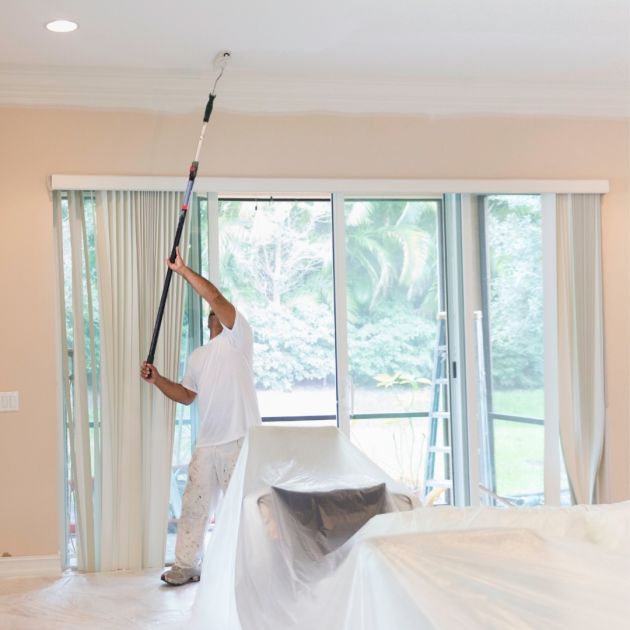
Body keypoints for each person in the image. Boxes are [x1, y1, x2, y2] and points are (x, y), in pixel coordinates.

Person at [141, 247, 261, 586]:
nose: (215, 311)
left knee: (242, 509)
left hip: (240, 439)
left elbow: (216, 295)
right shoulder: (198, 356)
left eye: (218, 309)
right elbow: (186, 395)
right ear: (207, 321)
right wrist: (158, 379)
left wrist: (182, 270)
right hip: (208, 443)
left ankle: (246, 569)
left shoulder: (239, 338)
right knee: (194, 506)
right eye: (212, 312)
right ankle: (185, 565)